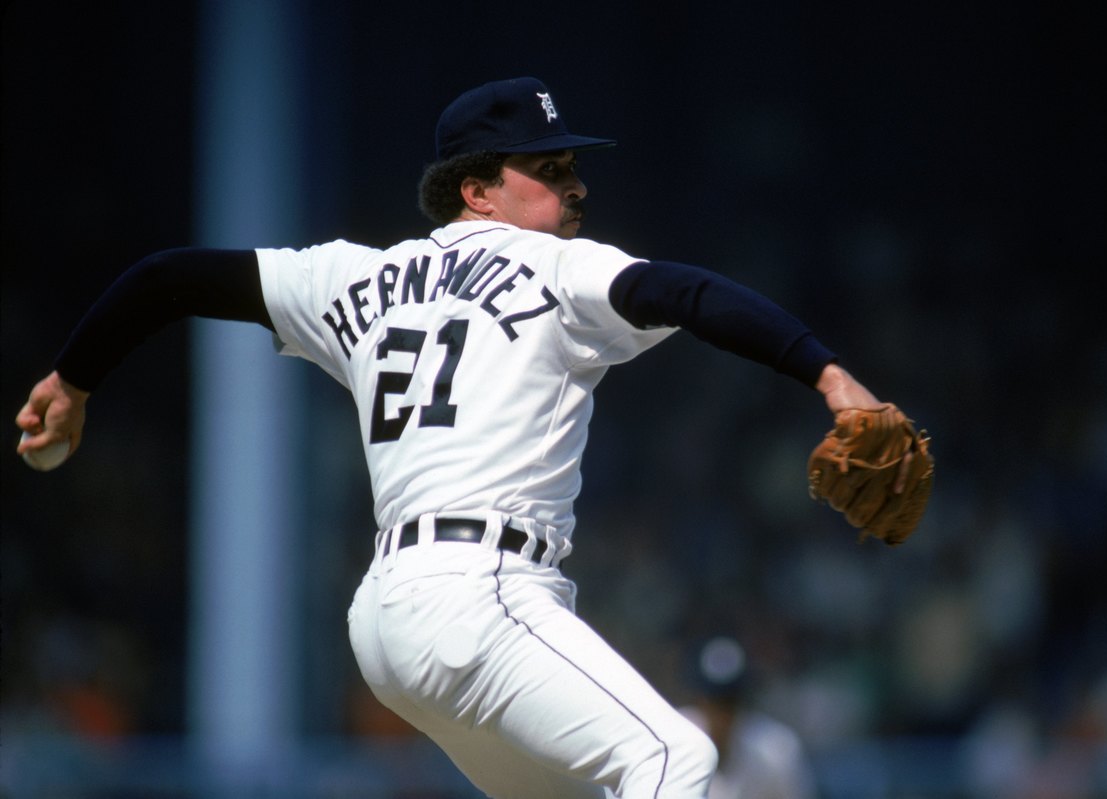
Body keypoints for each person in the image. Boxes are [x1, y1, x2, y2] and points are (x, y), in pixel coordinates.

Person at [16, 77, 904, 798]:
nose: (575, 186)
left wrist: (73, 378)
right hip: (483, 594)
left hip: (389, 625)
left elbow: (167, 276)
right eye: (549, 169)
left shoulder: (350, 276)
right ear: (478, 190)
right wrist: (830, 376)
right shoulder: (555, 265)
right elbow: (693, 294)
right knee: (676, 760)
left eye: (570, 169)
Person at [678, 637, 819, 799]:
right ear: (699, 699)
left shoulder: (776, 748)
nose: (723, 713)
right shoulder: (671, 739)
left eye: (731, 701)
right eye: (715, 701)